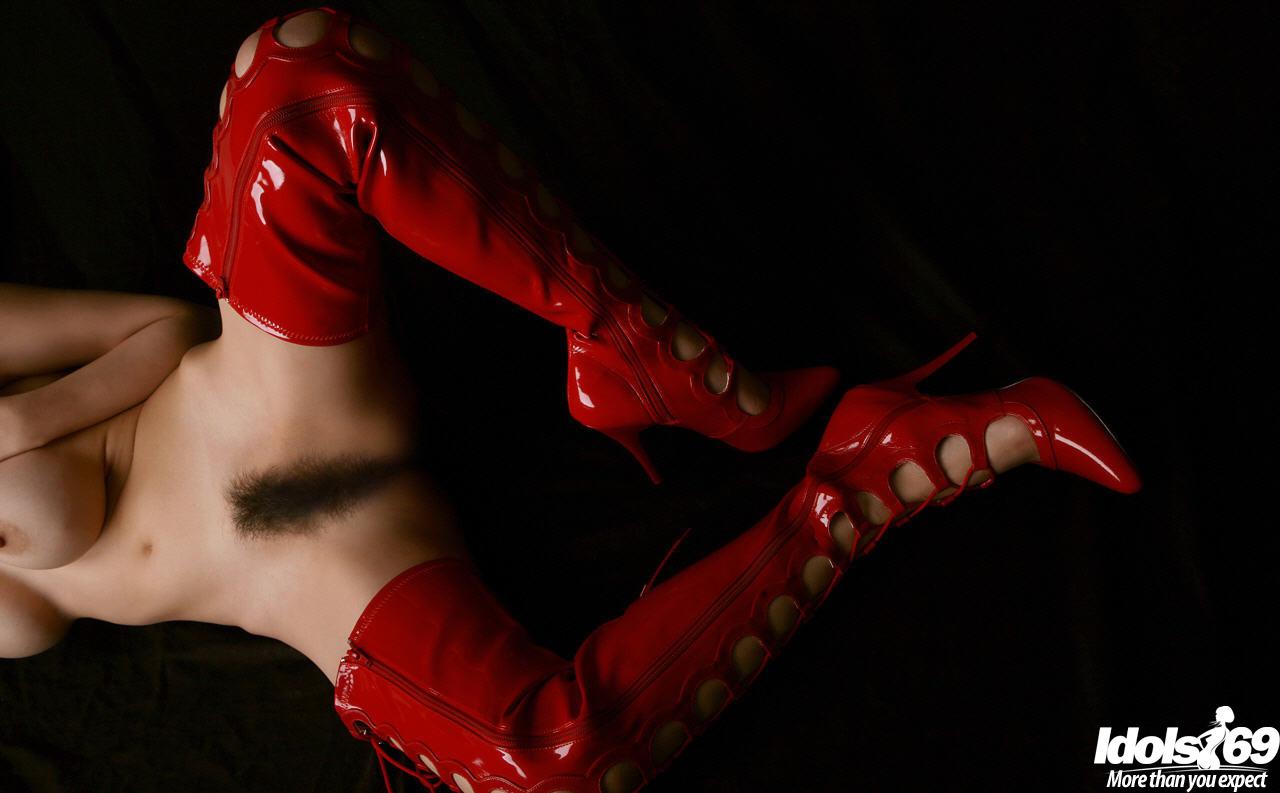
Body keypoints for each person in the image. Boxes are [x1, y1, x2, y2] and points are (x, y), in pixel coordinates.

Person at [0, 8, 1140, 793]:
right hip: (307, 579)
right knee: (547, 770)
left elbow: (160, 331)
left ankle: (638, 353)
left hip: (262, 399)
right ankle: (876, 472)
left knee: (295, 80)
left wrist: (23, 422)